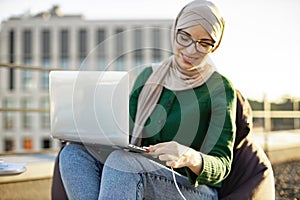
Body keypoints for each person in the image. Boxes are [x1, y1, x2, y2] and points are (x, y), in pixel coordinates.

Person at [59, 0, 236, 199]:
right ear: (174, 31)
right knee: (73, 154)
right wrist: (89, 135)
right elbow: (122, 133)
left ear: (215, 46)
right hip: (138, 168)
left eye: (204, 43)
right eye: (184, 36)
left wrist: (189, 156)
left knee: (122, 163)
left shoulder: (220, 88)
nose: (191, 50)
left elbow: (222, 164)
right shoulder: (147, 76)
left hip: (191, 188)